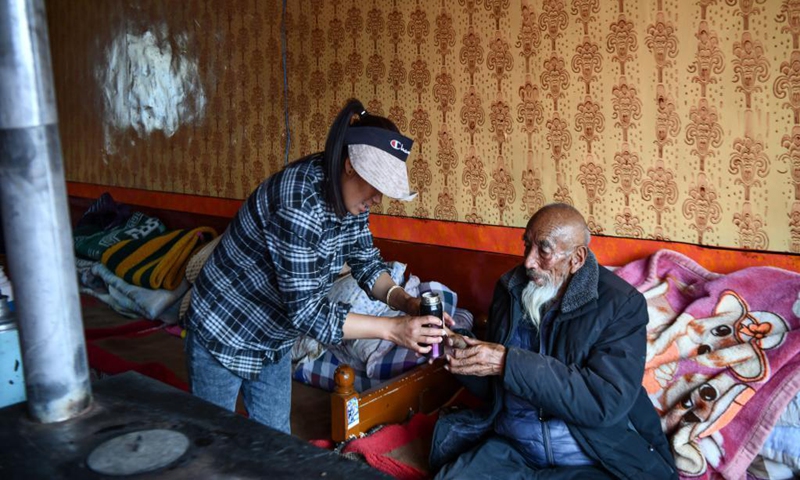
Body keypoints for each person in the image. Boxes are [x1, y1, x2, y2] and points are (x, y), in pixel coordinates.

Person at [184, 99, 447, 434]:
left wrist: (404, 302)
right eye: (376, 186)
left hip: (274, 336)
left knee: (276, 440)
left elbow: (365, 262)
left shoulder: (351, 199)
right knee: (212, 442)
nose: (378, 199)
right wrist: (393, 329)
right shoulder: (300, 203)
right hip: (225, 328)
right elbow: (307, 312)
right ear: (351, 165)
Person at [431, 203, 676, 479]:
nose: (528, 262)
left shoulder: (621, 305)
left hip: (589, 457)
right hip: (514, 448)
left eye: (543, 250)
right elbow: (496, 389)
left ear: (577, 258)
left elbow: (603, 401)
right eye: (527, 246)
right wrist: (464, 354)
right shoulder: (510, 289)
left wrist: (507, 362)